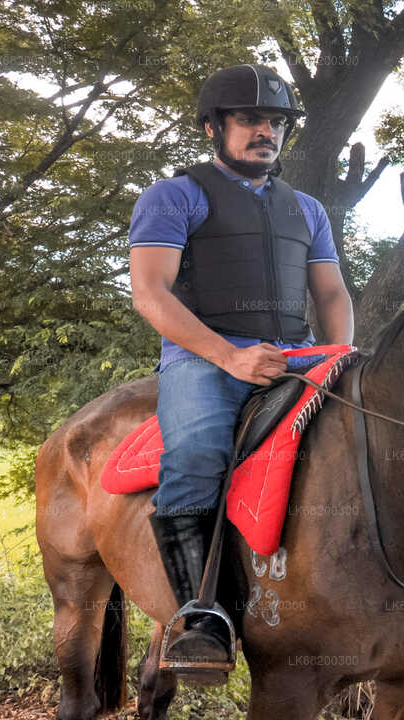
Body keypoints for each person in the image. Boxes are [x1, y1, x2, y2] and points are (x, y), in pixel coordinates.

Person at [127, 64, 353, 677]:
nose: (266, 132)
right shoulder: (174, 196)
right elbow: (150, 292)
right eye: (251, 119)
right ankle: (202, 617)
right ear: (212, 126)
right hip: (205, 359)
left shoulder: (307, 209)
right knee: (197, 452)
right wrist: (228, 355)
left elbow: (331, 294)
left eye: (276, 123)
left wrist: (341, 353)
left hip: (296, 356)